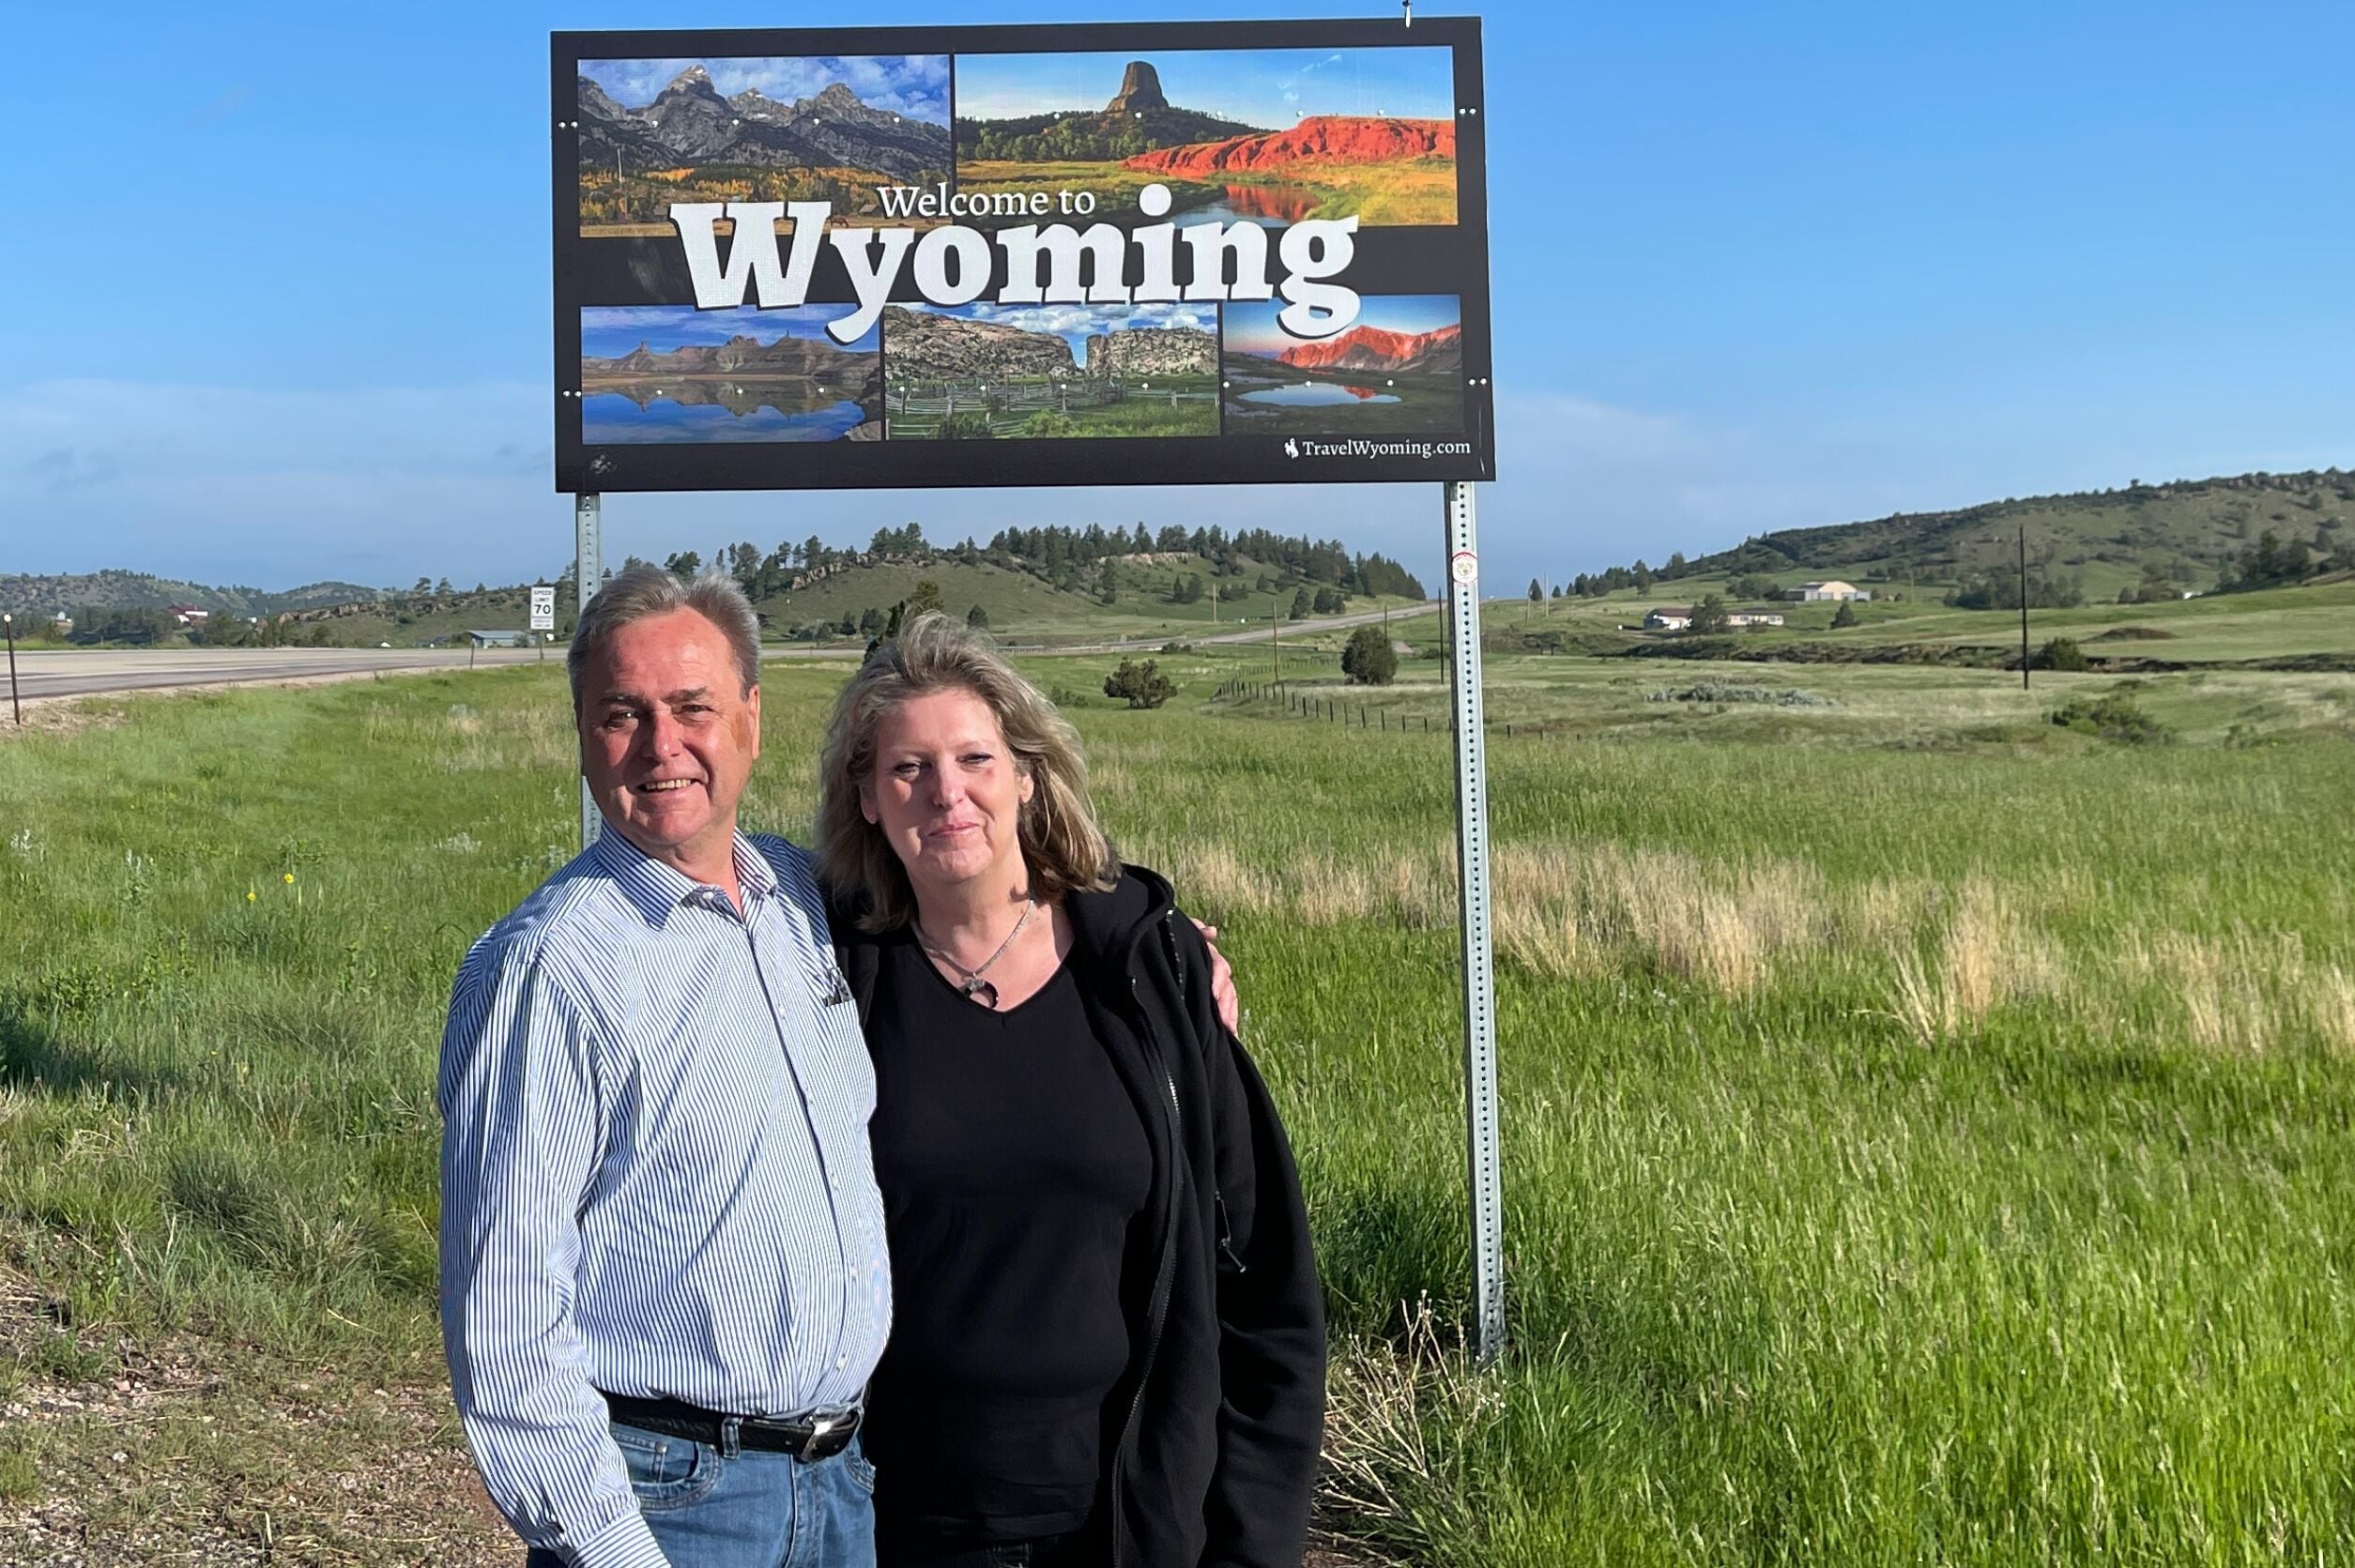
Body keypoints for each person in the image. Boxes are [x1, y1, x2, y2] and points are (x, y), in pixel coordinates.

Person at [815, 613, 1325, 1568]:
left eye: (973, 758)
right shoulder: (824, 974)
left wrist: (1253, 1541)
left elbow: (1261, 1280)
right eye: (906, 768)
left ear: (1027, 775)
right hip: (893, 1521)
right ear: (868, 799)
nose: (946, 794)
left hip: (1122, 1517)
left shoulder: (1144, 970)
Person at [439, 566, 887, 1568]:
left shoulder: (802, 904)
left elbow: (984, 906)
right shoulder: (551, 968)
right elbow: (503, 1319)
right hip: (677, 1505)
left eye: (693, 707)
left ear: (751, 721)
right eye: (621, 715)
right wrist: (609, 1546)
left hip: (843, 1484)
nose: (661, 746)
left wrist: (1151, 946)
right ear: (584, 735)